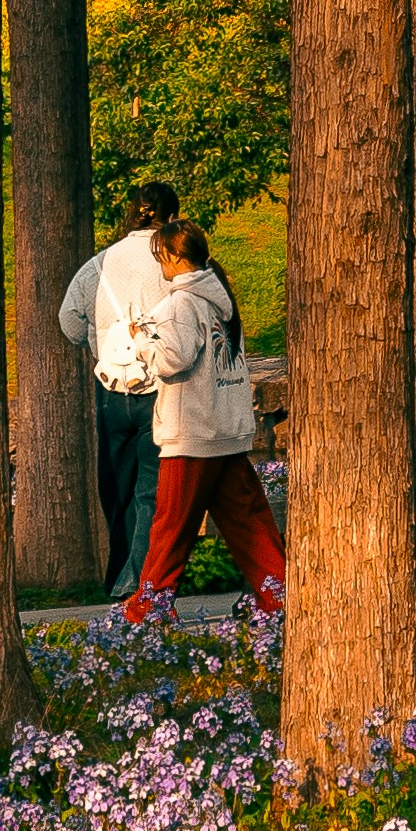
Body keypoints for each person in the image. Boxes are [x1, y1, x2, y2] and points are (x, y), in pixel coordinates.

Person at [123, 219, 285, 621]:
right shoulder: (221, 300)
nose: (160, 263)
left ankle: (150, 606)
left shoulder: (181, 304)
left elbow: (172, 359)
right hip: (226, 429)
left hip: (192, 431)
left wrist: (142, 341)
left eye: (161, 256)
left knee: (171, 526)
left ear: (176, 257)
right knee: (249, 522)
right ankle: (280, 595)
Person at [58, 177, 180, 600]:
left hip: (111, 387)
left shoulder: (98, 265)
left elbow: (69, 320)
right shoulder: (172, 265)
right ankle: (141, 580)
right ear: (171, 217)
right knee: (151, 488)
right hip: (161, 387)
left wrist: (100, 334)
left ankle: (119, 575)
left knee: (117, 486)